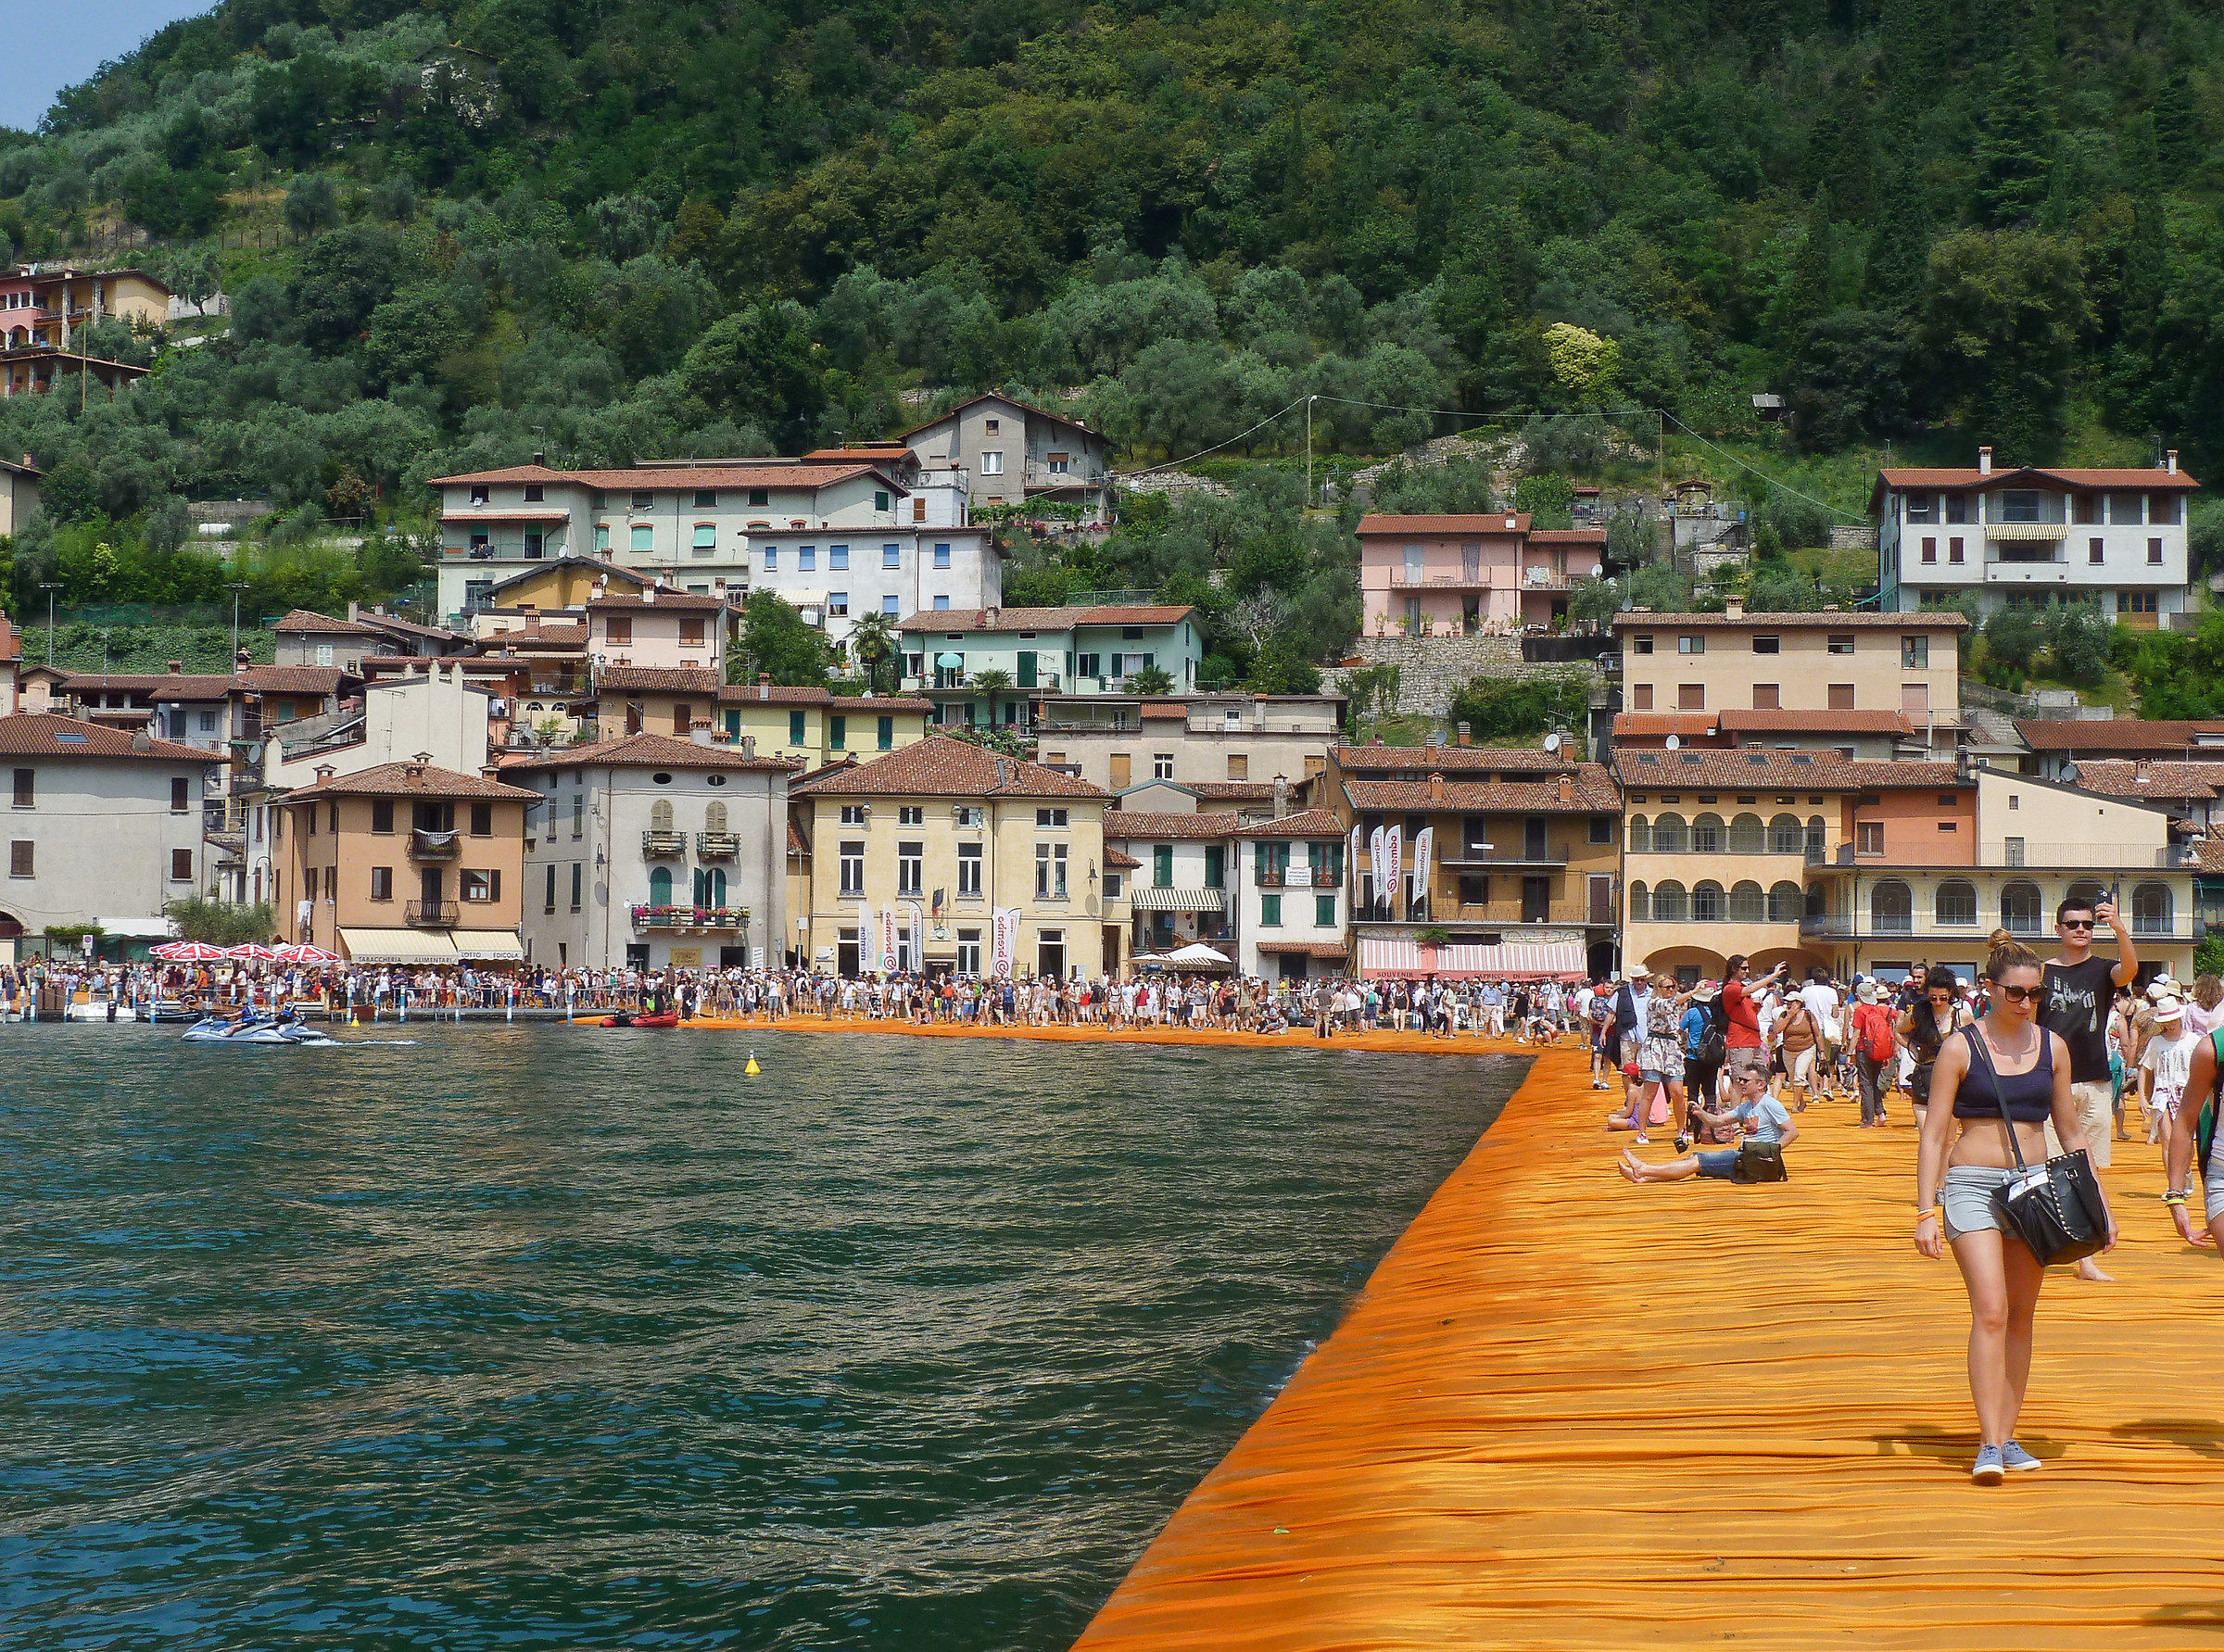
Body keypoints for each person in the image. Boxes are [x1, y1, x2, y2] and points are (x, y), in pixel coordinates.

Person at [1915, 940, 2117, 1484]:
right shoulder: (1961, 1048)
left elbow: (2071, 1132)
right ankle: (1987, 1442)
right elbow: (1934, 1134)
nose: (2026, 1001)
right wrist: (1925, 1209)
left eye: (2035, 992)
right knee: (1992, 1310)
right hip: (1972, 1184)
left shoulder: (2053, 1047)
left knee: (2023, 1316)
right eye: (2016, 992)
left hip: (2035, 1189)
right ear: (1990, 988)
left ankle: (2008, 1435)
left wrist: (2098, 1205)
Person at [2037, 893, 2137, 1282]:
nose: (2081, 930)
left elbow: (2128, 971)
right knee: (2046, 1169)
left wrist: (2119, 928)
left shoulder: (2102, 969)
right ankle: (2046, 1244)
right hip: (2049, 1082)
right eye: (2073, 924)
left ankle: (2086, 1257)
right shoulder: (2042, 972)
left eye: (2087, 924)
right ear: (2058, 928)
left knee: (2089, 1170)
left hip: (2094, 1080)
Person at [1616, 1062, 1797, 1184]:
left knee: (1697, 1161)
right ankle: (1644, 1178)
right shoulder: (1747, 1107)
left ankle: (1644, 1169)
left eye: (1745, 1080)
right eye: (1740, 1079)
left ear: (1761, 1085)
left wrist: (1771, 1150)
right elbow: (1717, 1121)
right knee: (1692, 1160)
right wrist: (1700, 1113)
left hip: (1756, 1160)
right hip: (1746, 1156)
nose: (1741, 1083)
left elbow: (1792, 1131)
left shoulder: (1770, 1104)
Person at [1898, 966, 1968, 1132]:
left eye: (1942, 998)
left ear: (1950, 993)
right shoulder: (1920, 1013)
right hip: (1924, 1077)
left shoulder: (1962, 1016)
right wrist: (1914, 1050)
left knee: (1948, 1139)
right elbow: (1899, 1031)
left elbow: (1975, 1046)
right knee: (1927, 1134)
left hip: (1953, 1081)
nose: (1937, 1002)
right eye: (1933, 997)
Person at [2139, 995, 2198, 1147]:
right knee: (2167, 1139)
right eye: (2167, 1022)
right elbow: (2144, 1069)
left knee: (2185, 1140)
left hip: (2187, 1093)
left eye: (2173, 1021)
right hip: (2162, 1093)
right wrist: (2142, 1097)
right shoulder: (2156, 1042)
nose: (2171, 1025)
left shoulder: (2193, 1040)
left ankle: (2185, 1171)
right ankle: (2171, 1172)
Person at [1847, 978, 1897, 1128]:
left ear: (1858, 996)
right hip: (1878, 1050)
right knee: (1875, 1083)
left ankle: (1867, 1120)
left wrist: (1850, 1054)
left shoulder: (1860, 1011)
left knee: (1866, 1084)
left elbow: (1856, 1034)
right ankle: (1880, 1113)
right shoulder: (1878, 1010)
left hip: (1864, 1050)